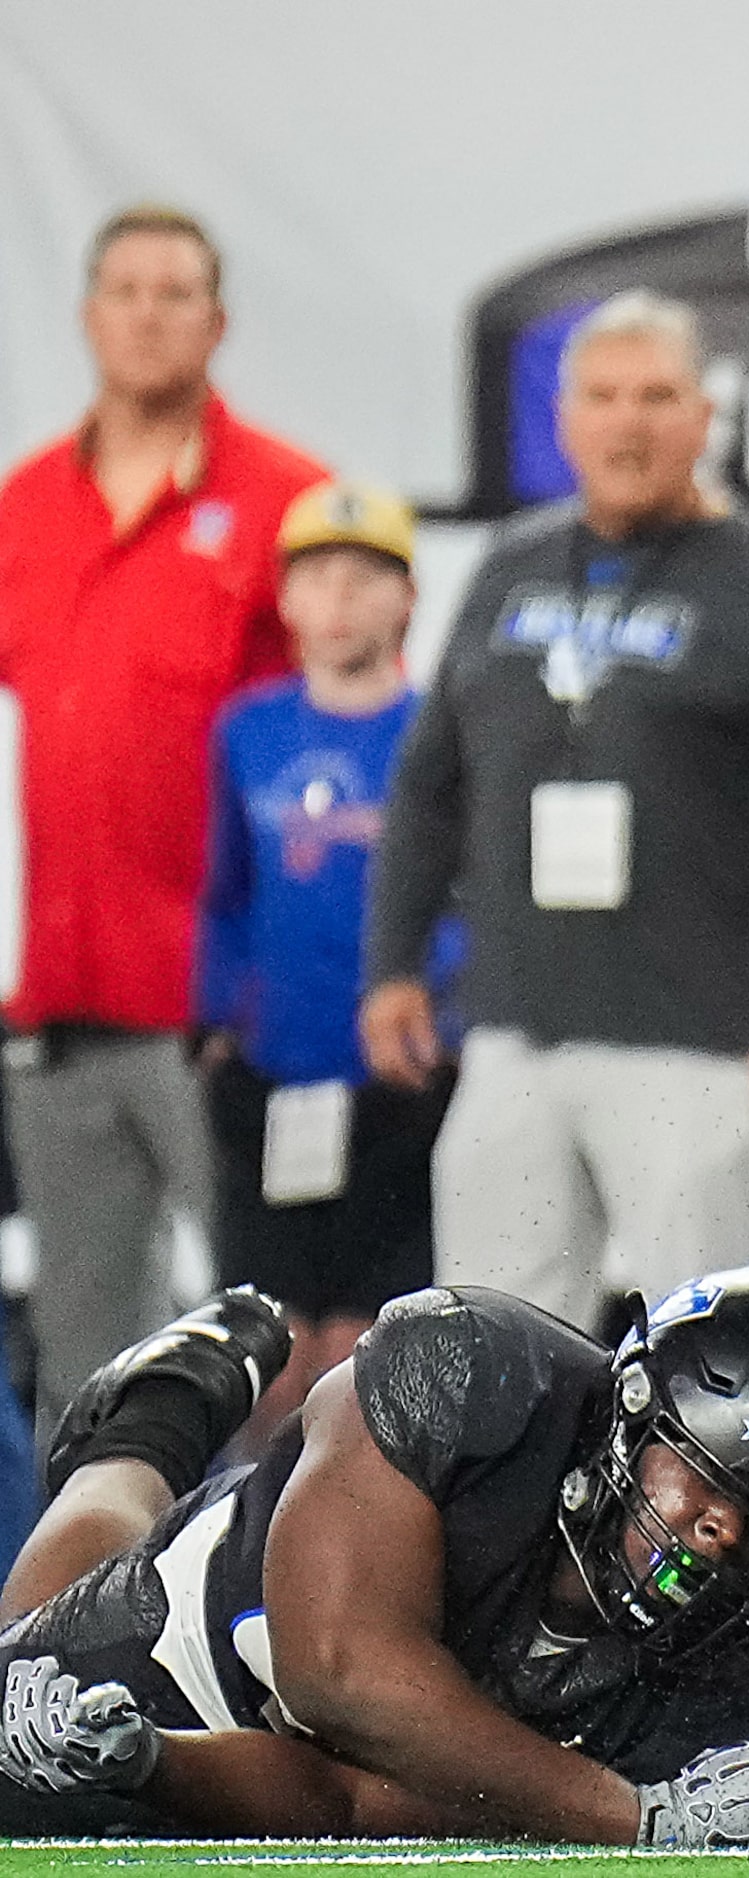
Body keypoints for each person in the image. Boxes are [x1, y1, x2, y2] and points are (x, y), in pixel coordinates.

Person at [361, 291, 749, 1328]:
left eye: (656, 396)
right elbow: (430, 788)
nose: (628, 422)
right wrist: (392, 965)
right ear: (563, 422)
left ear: (704, 418)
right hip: (514, 1030)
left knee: (712, 1361)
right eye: (602, 397)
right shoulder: (510, 572)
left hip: (697, 1047)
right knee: (485, 1355)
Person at [0, 1263, 749, 1844]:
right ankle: (156, 1418)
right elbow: (333, 1677)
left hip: (310, 1767)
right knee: (18, 1694)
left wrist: (150, 1762)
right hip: (212, 1622)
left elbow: (345, 1803)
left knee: (81, 1757)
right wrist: (635, 1816)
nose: (722, 1532)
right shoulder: (470, 1368)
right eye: (706, 1480)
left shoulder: (738, 1704)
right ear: (632, 1405)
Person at [0, 204, 325, 1422]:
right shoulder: (22, 509)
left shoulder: (293, 506)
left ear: (217, 321)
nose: (146, 313)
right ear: (88, 314)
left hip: (228, 1021)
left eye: (173, 291)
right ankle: (76, 1613)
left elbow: (341, 756)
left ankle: (293, 1604)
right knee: (88, 1374)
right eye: (124, 289)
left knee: (286, 1351)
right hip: (59, 1020)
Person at [196, 484, 460, 1415]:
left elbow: (463, 893)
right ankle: (251, 1553)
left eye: (364, 578)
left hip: (395, 1087)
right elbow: (226, 890)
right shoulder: (249, 731)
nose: (339, 601)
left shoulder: (439, 732)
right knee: (271, 1354)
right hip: (275, 1079)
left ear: (406, 599)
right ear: (286, 600)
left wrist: (446, 1017)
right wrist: (220, 1015)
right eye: (316, 579)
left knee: (365, 1353)